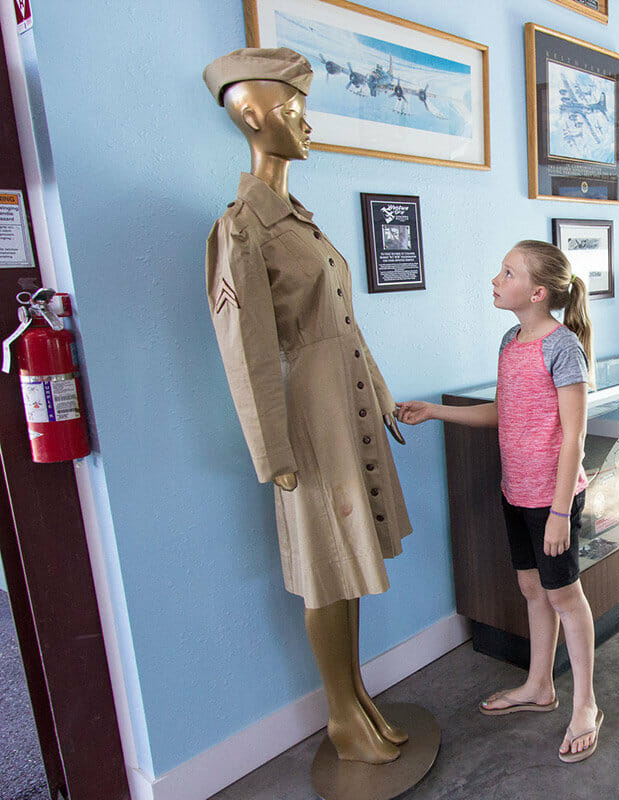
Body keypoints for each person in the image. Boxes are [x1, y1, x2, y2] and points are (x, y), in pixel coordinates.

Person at [202, 48, 412, 764]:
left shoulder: (299, 222)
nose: (307, 124)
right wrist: (275, 456)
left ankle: (356, 696)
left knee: (348, 562)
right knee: (325, 569)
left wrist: (380, 392)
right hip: (308, 422)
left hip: (344, 405)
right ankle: (339, 714)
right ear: (255, 119)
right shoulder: (242, 229)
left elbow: (347, 322)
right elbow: (249, 354)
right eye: (294, 112)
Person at [396, 241, 603, 763]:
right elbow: (501, 414)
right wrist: (435, 413)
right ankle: (539, 686)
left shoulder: (563, 348)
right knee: (532, 586)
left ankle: (586, 705)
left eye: (506, 273)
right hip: (516, 491)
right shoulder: (511, 340)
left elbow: (574, 437)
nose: (495, 279)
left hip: (552, 500)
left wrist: (559, 511)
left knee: (565, 597)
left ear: (536, 292)